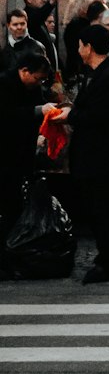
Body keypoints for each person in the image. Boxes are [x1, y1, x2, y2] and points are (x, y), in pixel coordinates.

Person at [60, 25, 109, 283]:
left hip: (103, 158)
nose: (78, 50)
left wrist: (71, 115)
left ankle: (106, 261)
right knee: (98, 208)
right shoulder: (95, 73)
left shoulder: (108, 76)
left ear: (89, 47)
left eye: (80, 45)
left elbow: (99, 116)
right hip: (95, 155)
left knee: (103, 210)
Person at [0, 52, 57, 243]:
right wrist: (38, 111)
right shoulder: (4, 84)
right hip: (6, 152)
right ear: (24, 71)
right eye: (37, 78)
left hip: (23, 151)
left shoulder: (32, 86)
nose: (39, 83)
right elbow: (6, 116)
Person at [1, 10, 50, 75]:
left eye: (22, 24)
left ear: (26, 24)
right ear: (8, 26)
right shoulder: (5, 50)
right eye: (15, 24)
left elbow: (46, 74)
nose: (19, 27)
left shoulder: (36, 47)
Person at [23, 0, 61, 68]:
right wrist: (51, 3)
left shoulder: (39, 15)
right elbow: (36, 19)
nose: (44, 0)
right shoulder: (26, 16)